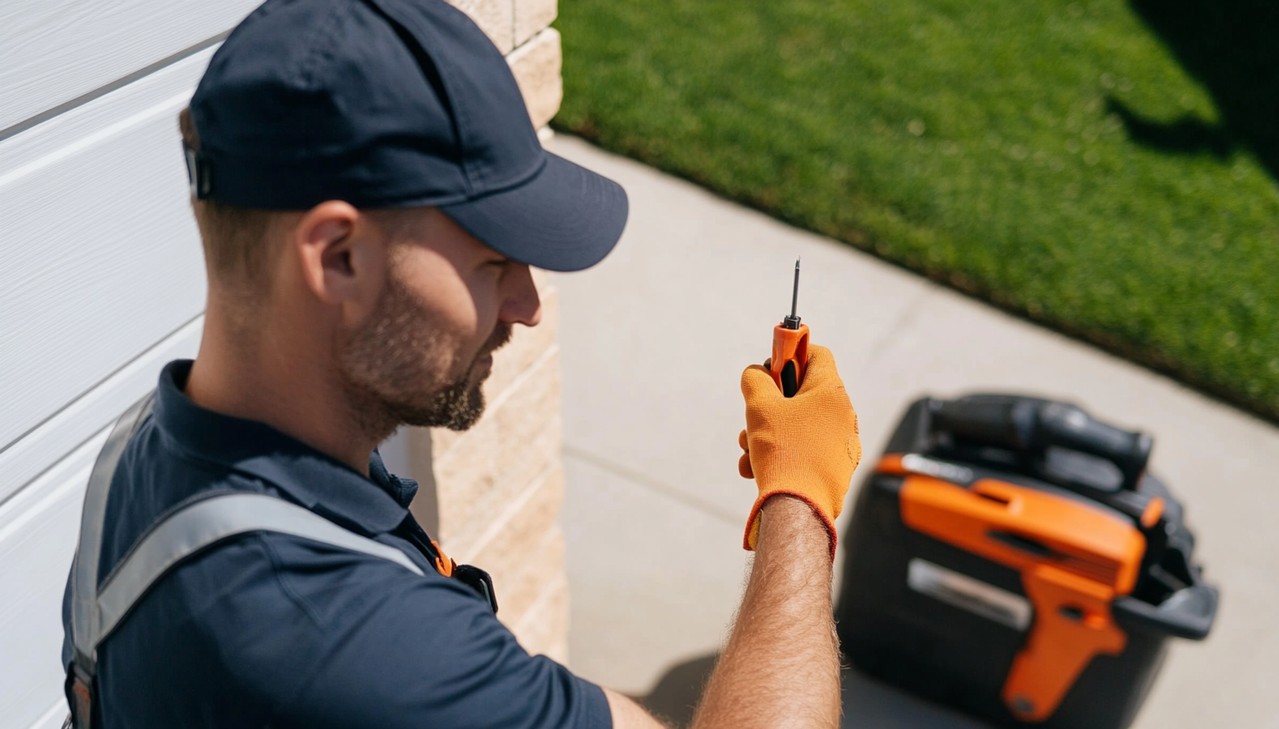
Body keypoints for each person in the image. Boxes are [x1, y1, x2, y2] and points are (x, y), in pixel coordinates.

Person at [60, 1, 862, 727]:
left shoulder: (147, 456)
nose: (528, 304)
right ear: (337, 258)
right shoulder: (351, 644)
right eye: (493, 263)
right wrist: (800, 497)